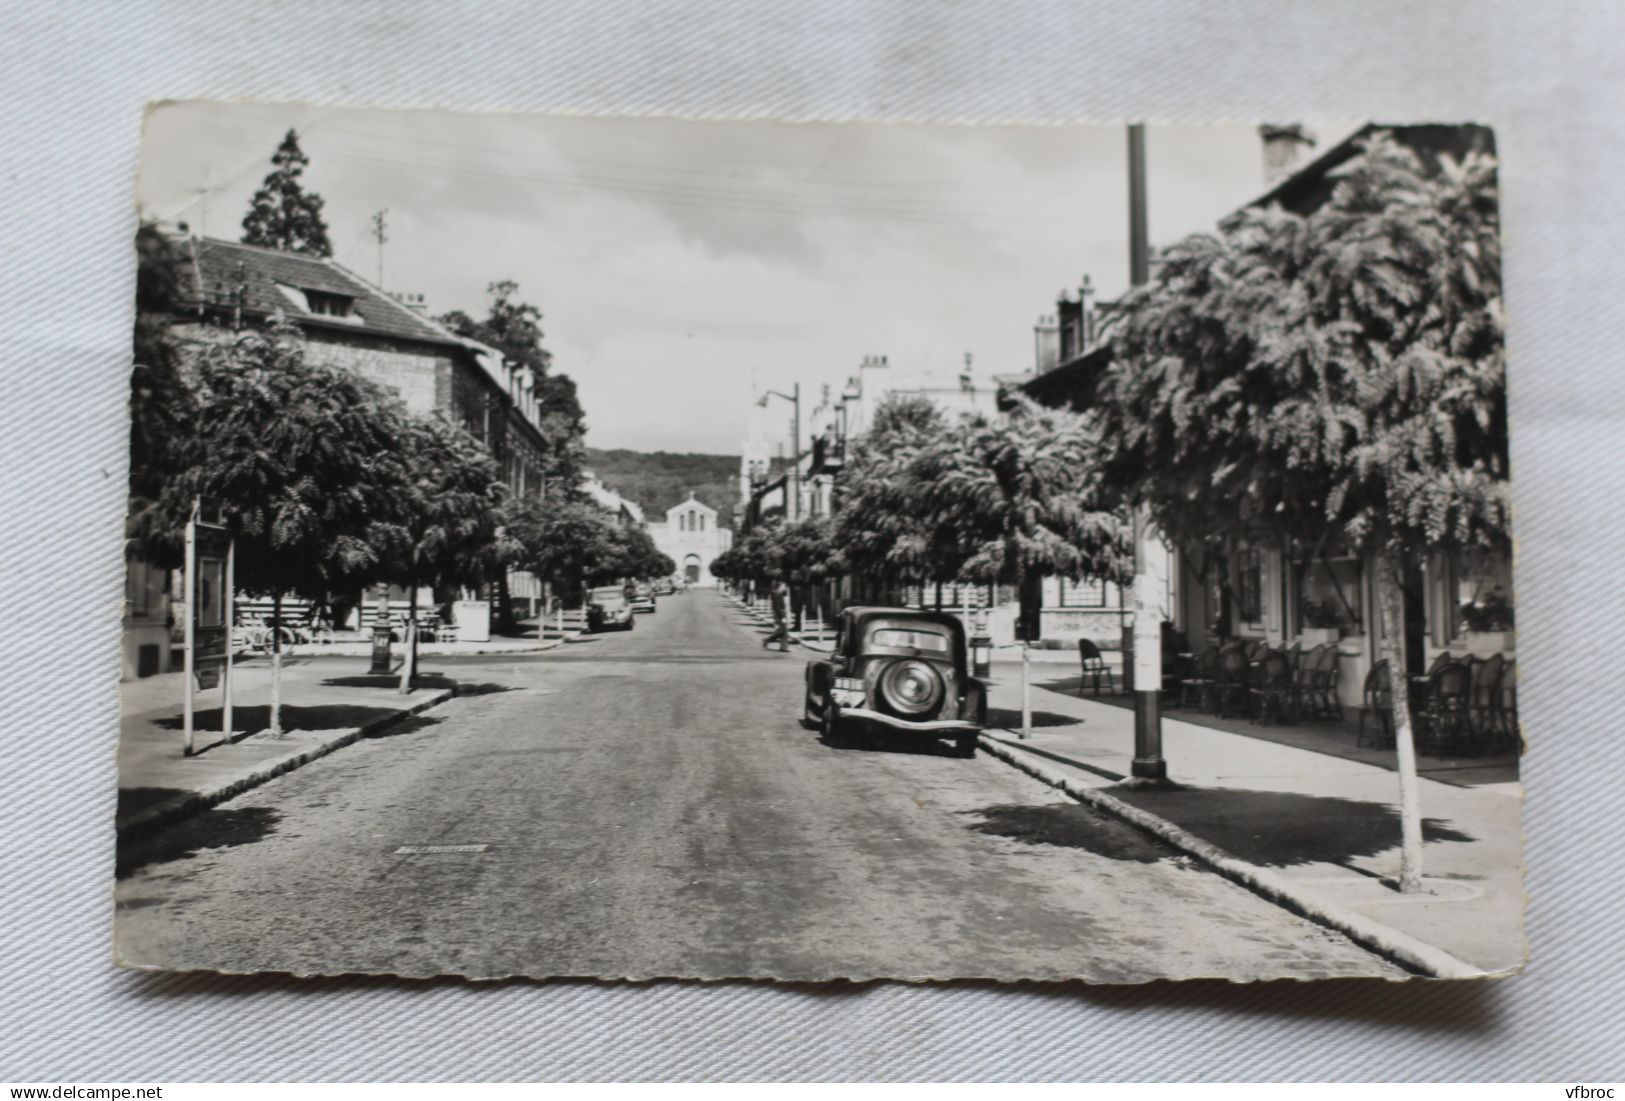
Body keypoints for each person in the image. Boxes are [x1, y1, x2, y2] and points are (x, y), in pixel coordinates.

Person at [762, 580, 792, 652]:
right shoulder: (777, 594)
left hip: (779, 613)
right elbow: (778, 607)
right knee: (783, 631)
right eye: (783, 586)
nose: (784, 588)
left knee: (782, 631)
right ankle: (782, 647)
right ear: (780, 586)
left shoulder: (778, 593)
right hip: (780, 614)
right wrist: (782, 617)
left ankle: (782, 646)